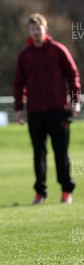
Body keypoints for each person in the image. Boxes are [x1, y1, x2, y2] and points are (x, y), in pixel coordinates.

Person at [13, 13, 81, 205]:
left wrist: (75, 101)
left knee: (61, 153)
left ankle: (66, 191)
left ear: (45, 29)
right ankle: (40, 193)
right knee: (38, 153)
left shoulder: (58, 50)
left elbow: (73, 76)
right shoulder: (25, 56)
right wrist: (19, 108)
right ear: (29, 31)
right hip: (35, 113)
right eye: (32, 29)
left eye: (38, 28)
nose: (36, 32)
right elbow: (19, 84)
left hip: (58, 111)